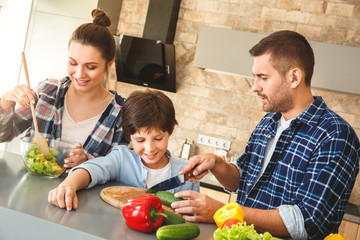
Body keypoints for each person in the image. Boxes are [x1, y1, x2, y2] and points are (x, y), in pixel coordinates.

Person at [171, 30, 360, 240]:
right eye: (255, 77)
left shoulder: (335, 135)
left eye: (263, 77)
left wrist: (223, 211)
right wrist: (217, 164)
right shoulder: (269, 122)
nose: (254, 87)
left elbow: (307, 221)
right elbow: (242, 180)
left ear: (294, 77)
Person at [0, 9, 128, 171]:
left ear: (109, 64)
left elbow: (120, 169)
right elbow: (2, 136)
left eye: (91, 67)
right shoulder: (47, 92)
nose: (80, 74)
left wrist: (91, 165)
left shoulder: (119, 114)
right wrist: (6, 102)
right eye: (73, 63)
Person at [48, 89, 199, 211]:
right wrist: (68, 185)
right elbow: (92, 169)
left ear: (171, 130)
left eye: (158, 139)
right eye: (140, 140)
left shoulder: (187, 173)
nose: (150, 148)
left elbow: (193, 217)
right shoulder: (121, 158)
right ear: (129, 135)